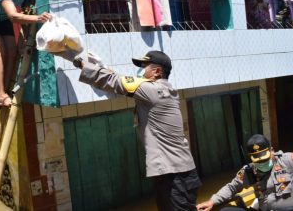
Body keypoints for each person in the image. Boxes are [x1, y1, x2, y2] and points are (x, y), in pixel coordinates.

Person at [72, 50, 201, 211]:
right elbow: (120, 80)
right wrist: (106, 69)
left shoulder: (152, 90)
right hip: (177, 174)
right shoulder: (161, 90)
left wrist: (83, 64)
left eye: (144, 66)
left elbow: (114, 81)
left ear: (157, 72)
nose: (141, 70)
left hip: (174, 176)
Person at [196, 134, 293, 211]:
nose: (261, 162)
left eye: (264, 159)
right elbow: (232, 187)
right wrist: (212, 201)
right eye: (258, 161)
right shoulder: (250, 171)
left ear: (272, 150)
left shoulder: (287, 161)